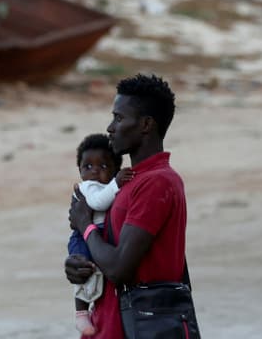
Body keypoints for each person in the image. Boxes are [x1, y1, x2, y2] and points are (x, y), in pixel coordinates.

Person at [65, 73, 187, 339]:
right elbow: (106, 250)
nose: (110, 128)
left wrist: (85, 225)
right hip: (107, 325)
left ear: (145, 124)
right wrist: (79, 264)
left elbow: (120, 268)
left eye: (119, 118)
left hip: (136, 329)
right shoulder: (128, 182)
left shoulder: (157, 183)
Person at [68, 134, 133, 336]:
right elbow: (97, 203)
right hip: (83, 236)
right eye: (87, 167)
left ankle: (84, 312)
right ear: (80, 170)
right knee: (83, 269)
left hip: (94, 233)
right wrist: (116, 184)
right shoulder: (89, 187)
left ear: (113, 169)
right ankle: (81, 313)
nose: (94, 171)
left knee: (92, 274)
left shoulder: (108, 188)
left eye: (103, 167)